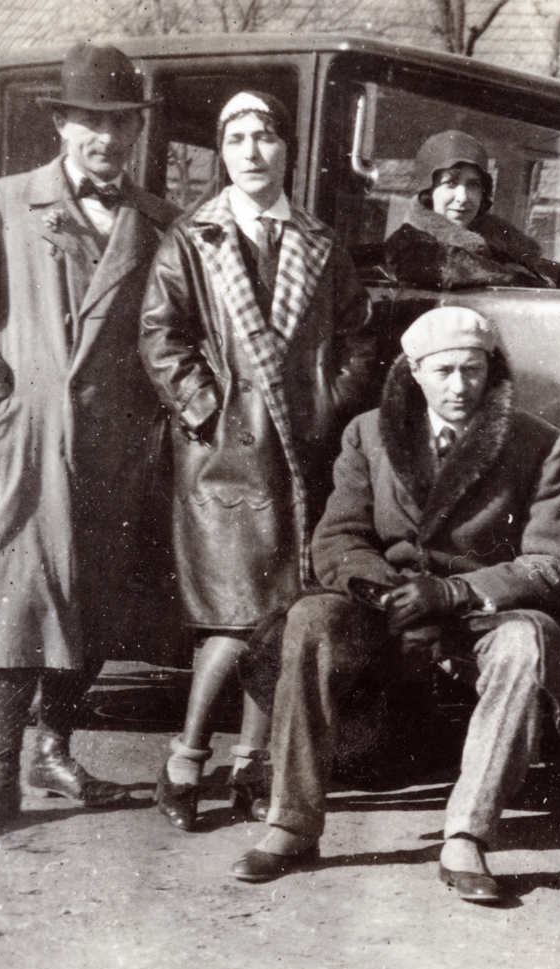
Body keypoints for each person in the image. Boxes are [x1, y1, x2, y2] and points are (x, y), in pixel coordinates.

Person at [230, 306, 560, 903]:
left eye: (473, 370)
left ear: (492, 370)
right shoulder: (369, 434)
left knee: (528, 641)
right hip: (384, 604)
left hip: (478, 611)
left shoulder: (540, 444)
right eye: (443, 371)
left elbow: (552, 562)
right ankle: (292, 822)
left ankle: (467, 835)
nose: (460, 386)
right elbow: (339, 538)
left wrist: (453, 592)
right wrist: (388, 594)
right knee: (311, 619)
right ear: (414, 372)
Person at [0, 44, 182, 834]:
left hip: (114, 448)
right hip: (27, 440)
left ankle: (55, 749)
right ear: (62, 125)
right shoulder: (3, 205)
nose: (106, 137)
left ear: (135, 131)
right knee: (17, 597)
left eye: (120, 122)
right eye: (90, 121)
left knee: (93, 603)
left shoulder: (159, 223)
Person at [140, 90, 379, 831]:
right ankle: (184, 762)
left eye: (266, 136)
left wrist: (328, 405)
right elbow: (160, 334)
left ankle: (249, 765)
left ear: (286, 150)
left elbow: (359, 336)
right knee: (232, 619)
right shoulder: (192, 237)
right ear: (222, 151)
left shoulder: (320, 242)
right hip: (223, 461)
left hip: (299, 459)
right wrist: (206, 409)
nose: (252, 151)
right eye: (237, 138)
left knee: (279, 617)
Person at [382, 130, 551, 289]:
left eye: (473, 184)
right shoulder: (408, 248)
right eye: (450, 183)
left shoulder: (502, 246)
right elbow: (456, 270)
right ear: (428, 191)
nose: (462, 197)